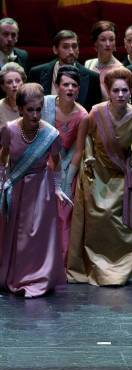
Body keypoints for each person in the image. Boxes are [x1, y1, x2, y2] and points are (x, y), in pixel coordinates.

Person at [67, 67, 132, 286]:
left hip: (122, 175)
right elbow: (88, 140)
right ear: (108, 92)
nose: (120, 94)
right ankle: (97, 267)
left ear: (130, 92)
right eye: (116, 90)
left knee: (124, 224)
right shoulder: (96, 112)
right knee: (98, 220)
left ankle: (121, 269)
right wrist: (90, 158)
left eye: (124, 91)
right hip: (98, 174)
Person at [0, 83, 69, 297]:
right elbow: (3, 156)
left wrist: (57, 188)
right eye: (30, 110)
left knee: (36, 235)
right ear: (20, 109)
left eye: (39, 109)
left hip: (41, 188)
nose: (35, 114)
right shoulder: (9, 129)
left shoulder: (51, 134)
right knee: (16, 235)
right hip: (16, 187)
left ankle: (39, 276)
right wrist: (3, 181)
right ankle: (17, 276)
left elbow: (55, 162)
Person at [41, 66, 88, 264]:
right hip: (41, 163)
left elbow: (78, 150)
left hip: (67, 165)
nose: (69, 88)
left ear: (78, 89)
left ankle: (60, 262)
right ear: (56, 86)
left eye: (74, 85)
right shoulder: (45, 105)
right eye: (65, 84)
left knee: (64, 211)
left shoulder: (82, 115)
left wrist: (67, 180)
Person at [29, 30, 101, 111]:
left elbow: (95, 112)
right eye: (65, 47)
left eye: (74, 46)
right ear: (55, 50)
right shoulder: (37, 73)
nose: (71, 51)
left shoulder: (92, 77)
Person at [84, 21, 123, 100]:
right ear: (95, 43)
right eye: (103, 40)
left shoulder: (120, 70)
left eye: (111, 40)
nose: (108, 44)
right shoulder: (88, 64)